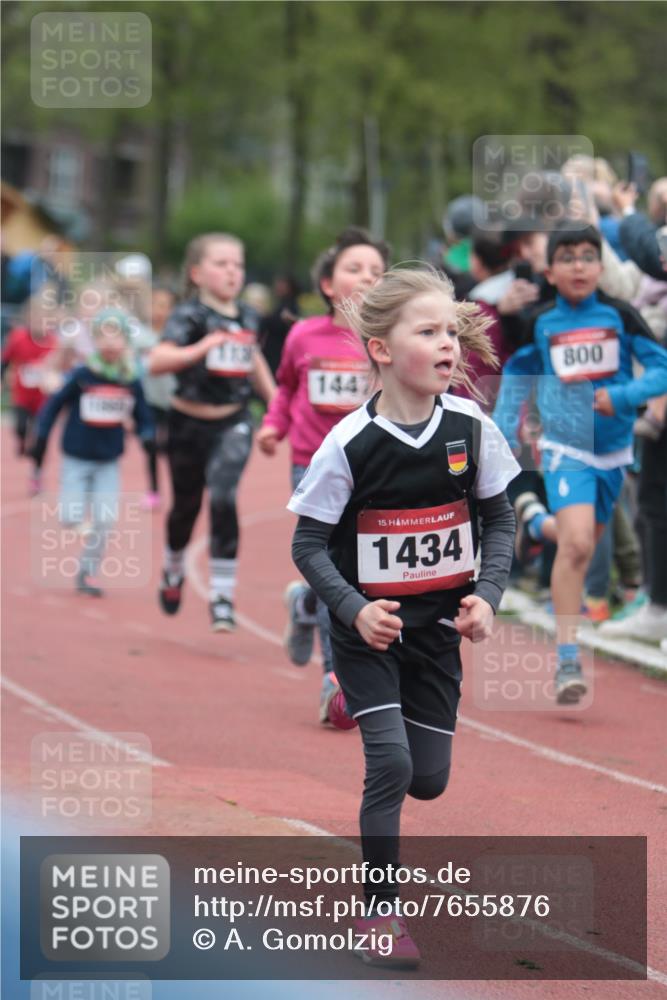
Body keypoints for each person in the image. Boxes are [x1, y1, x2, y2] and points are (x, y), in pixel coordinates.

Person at [288, 267, 520, 965]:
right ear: (383, 350)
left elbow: (499, 519)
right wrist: (355, 610)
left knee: (428, 779)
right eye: (428, 332)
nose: (448, 344)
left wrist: (488, 595)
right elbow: (306, 543)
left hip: (436, 635)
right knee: (388, 763)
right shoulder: (348, 444)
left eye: (452, 331)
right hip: (368, 635)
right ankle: (380, 918)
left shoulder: (468, 426)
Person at [493, 224, 667, 702]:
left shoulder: (622, 315)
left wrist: (625, 396)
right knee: (573, 547)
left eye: (589, 256)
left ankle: (536, 522)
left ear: (600, 266)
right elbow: (517, 371)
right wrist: (505, 431)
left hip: (613, 451)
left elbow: (661, 368)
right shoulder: (541, 321)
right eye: (567, 258)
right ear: (550, 270)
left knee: (582, 546)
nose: (578, 266)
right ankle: (568, 660)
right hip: (566, 447)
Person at [256, 227, 389, 721]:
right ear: (329, 284)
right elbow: (288, 389)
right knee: (335, 558)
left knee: (358, 566)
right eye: (355, 269)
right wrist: (273, 425)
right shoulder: (303, 335)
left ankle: (306, 603)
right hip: (311, 462)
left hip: (371, 465)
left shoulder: (386, 340)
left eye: (377, 272)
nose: (367, 278)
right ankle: (335, 679)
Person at [149, 232, 275, 632]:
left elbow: (253, 361)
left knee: (223, 497)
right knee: (185, 508)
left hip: (232, 421)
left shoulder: (249, 317)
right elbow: (157, 361)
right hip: (187, 423)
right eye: (222, 264)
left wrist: (276, 408)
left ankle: (222, 594)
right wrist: (201, 348)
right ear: (197, 273)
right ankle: (172, 569)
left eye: (237, 264)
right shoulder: (188, 316)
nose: (232, 272)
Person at [30, 308, 154, 597]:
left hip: (108, 460)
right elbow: (54, 405)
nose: (111, 344)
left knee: (106, 520)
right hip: (76, 456)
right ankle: (79, 528)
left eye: (118, 337)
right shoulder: (83, 374)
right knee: (71, 515)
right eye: (104, 337)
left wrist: (148, 435)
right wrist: (41, 435)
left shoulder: (130, 378)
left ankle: (88, 570)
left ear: (126, 342)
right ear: (94, 340)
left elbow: (144, 414)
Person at [1, 292, 59, 494]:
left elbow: (61, 369)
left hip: (44, 398)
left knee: (42, 436)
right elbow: (5, 361)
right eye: (36, 318)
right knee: (20, 426)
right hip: (22, 395)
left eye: (44, 319)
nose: (40, 323)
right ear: (28, 319)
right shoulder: (18, 338)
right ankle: (22, 439)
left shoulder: (54, 342)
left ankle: (36, 474)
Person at [131, 285, 178, 510]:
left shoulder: (177, 336)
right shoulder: (140, 336)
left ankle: (178, 490)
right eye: (154, 304)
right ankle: (153, 491)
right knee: (149, 444)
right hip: (148, 399)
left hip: (173, 400)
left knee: (171, 447)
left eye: (164, 306)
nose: (158, 310)